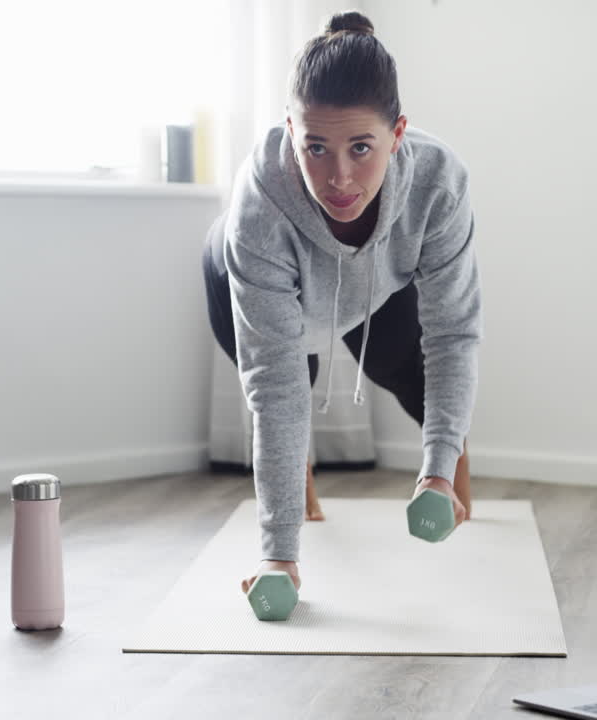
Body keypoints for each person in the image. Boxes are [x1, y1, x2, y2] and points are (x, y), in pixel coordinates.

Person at [201, 10, 482, 599]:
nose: (340, 178)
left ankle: (449, 479)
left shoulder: (437, 184)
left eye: (361, 147)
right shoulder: (260, 207)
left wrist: (435, 468)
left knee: (400, 364)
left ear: (397, 134)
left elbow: (452, 333)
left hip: (374, 281)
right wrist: (279, 556)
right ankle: (295, 508)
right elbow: (274, 388)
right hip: (242, 278)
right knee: (291, 383)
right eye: (316, 147)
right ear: (290, 131)